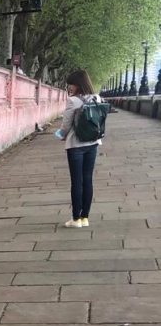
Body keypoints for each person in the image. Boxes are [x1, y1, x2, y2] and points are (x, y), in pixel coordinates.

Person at [56, 70, 102, 228]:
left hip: (76, 145)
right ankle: (85, 218)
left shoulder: (73, 101)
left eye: (72, 85)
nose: (70, 88)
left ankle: (75, 219)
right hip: (93, 142)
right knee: (87, 179)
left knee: (77, 181)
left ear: (78, 84)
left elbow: (66, 125)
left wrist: (60, 135)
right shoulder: (96, 98)